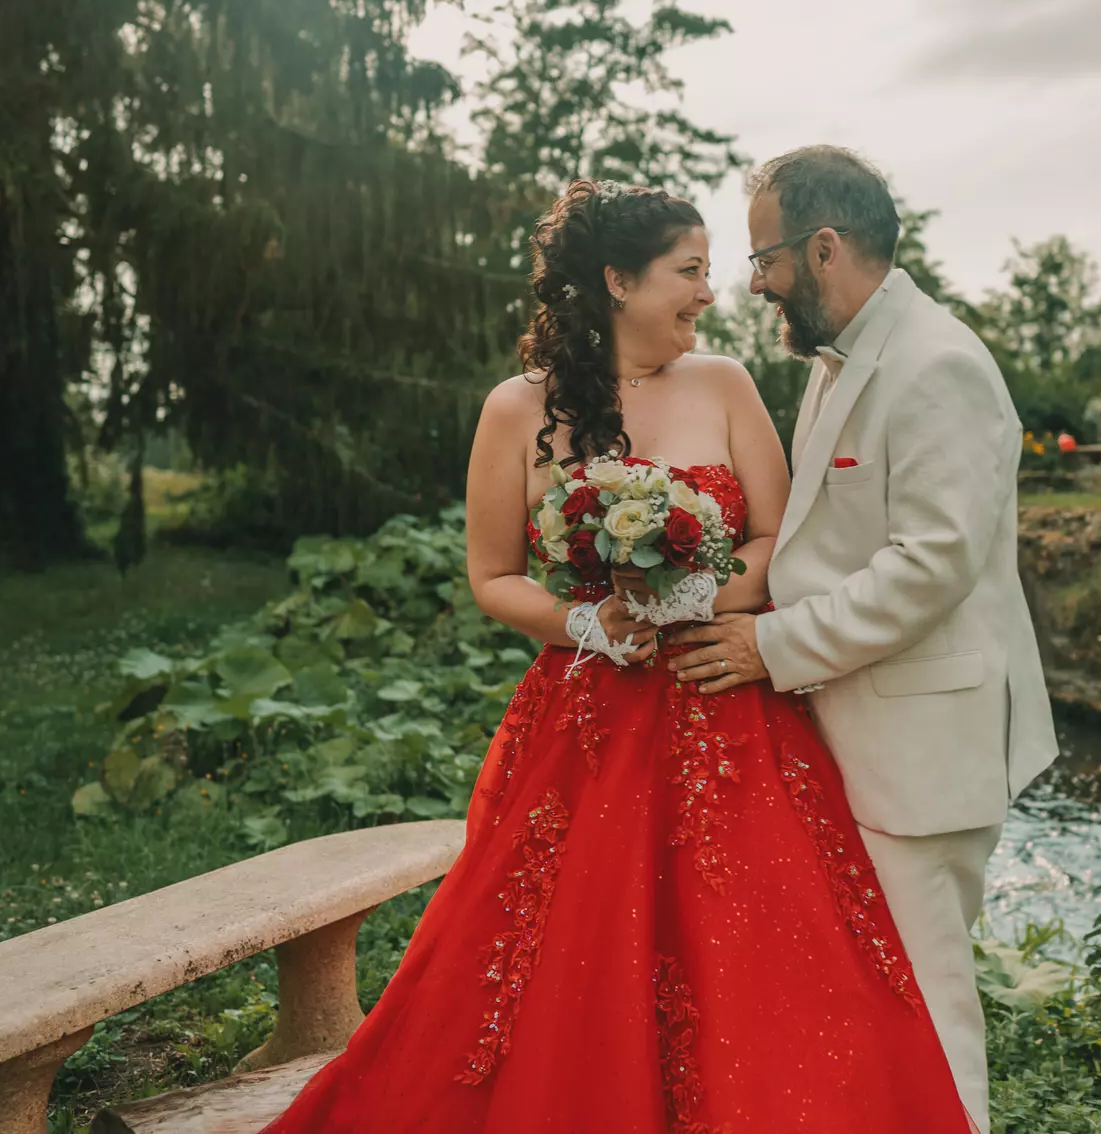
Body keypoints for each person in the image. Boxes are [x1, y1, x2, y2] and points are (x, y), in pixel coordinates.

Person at [257, 179, 975, 1132]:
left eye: (714, 273)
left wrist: (699, 597)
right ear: (616, 282)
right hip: (587, 724)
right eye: (689, 272)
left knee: (757, 965)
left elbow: (776, 540)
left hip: (727, 703)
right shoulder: (517, 411)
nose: (710, 295)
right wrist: (588, 625)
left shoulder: (725, 385)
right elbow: (492, 575)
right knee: (562, 960)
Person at [668, 146, 1060, 1132]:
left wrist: (769, 646)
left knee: (926, 1018)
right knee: (874, 1017)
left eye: (765, 257)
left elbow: (929, 565)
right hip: (864, 737)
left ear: (825, 246)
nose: (753, 282)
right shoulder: (844, 359)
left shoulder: (938, 365)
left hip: (921, 755)